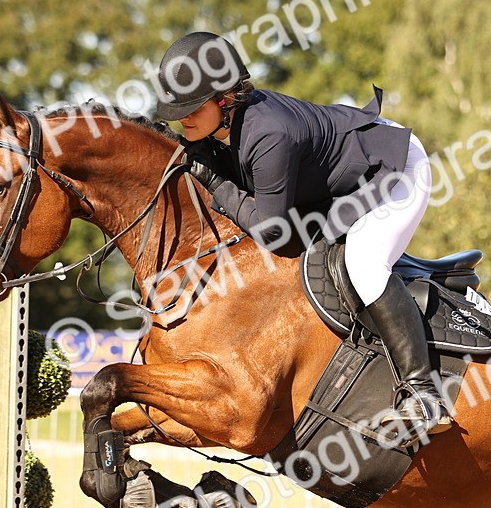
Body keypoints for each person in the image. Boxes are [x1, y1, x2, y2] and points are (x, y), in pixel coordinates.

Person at [155, 31, 452, 442]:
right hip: (341, 180)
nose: (180, 118)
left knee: (363, 264)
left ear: (224, 100)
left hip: (394, 168)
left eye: (190, 108)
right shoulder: (227, 128)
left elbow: (280, 237)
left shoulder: (268, 133)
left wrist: (217, 185)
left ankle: (423, 396)